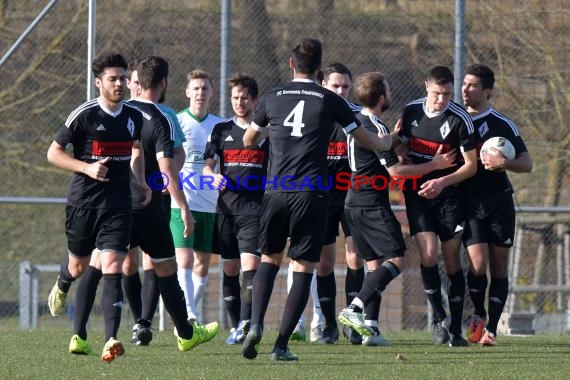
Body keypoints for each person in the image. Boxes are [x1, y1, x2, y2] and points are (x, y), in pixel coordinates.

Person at [240, 37, 394, 361]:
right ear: (320, 69)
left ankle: (254, 325)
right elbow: (365, 139)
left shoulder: (273, 97)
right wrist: (388, 140)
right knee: (303, 266)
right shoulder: (330, 100)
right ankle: (280, 345)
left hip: (276, 189)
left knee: (269, 259)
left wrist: (274, 133)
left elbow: (249, 138)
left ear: (291, 63)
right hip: (311, 193)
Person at [337, 72, 456, 346]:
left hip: (353, 201)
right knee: (397, 258)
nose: (391, 94)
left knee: (375, 264)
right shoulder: (375, 128)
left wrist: (395, 139)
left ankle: (371, 329)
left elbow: (386, 149)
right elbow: (396, 172)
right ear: (381, 98)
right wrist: (434, 166)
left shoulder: (359, 123)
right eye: (388, 90)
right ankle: (353, 309)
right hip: (370, 203)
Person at [46, 52, 149, 362]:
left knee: (113, 266)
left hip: (118, 204)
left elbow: (136, 149)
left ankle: (111, 339)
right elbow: (53, 153)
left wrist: (139, 180)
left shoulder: (133, 117)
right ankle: (63, 282)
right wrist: (87, 168)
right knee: (78, 267)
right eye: (113, 79)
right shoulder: (84, 115)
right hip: (83, 204)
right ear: (99, 82)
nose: (119, 84)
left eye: (123, 79)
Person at [397, 65, 477, 347]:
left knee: (452, 261)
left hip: (449, 198)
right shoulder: (410, 111)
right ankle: (438, 320)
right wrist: (403, 154)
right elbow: (401, 146)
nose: (442, 99)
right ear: (426, 87)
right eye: (436, 93)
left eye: (446, 94)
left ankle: (456, 327)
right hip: (417, 193)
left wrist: (442, 181)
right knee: (428, 255)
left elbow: (471, 166)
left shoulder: (461, 119)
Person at [289, 62, 361, 344]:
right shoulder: (313, 114)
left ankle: (353, 321)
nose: (341, 91)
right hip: (320, 196)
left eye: (345, 86)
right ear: (323, 86)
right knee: (325, 262)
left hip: (352, 195)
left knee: (355, 256)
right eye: (335, 86)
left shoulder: (356, 116)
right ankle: (328, 324)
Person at [461, 64, 533, 346]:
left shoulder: (503, 124)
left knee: (499, 266)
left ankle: (491, 328)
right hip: (469, 203)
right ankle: (478, 314)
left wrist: (504, 162)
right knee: (478, 265)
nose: (466, 90)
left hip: (499, 202)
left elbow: (527, 163)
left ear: (487, 91)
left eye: (473, 86)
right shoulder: (455, 119)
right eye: (464, 84)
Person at [121, 60, 188, 345]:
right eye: (131, 81)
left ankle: (144, 322)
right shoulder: (120, 112)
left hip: (152, 199)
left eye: (138, 81)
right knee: (125, 262)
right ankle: (139, 320)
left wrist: (162, 183)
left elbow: (177, 155)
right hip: (124, 198)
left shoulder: (167, 116)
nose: (134, 86)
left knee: (153, 259)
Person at [202, 73, 266, 345]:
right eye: (235, 98)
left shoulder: (266, 132)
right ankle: (235, 324)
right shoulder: (221, 130)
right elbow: (207, 166)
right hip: (226, 209)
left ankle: (246, 324)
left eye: (244, 98)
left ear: (255, 100)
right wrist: (211, 175)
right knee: (230, 269)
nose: (239, 102)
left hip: (255, 210)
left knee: (250, 266)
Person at [173, 70, 225, 324]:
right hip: (181, 201)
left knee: (202, 265)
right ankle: (189, 315)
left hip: (210, 203)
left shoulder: (220, 125)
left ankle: (188, 308)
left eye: (205, 88)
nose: (200, 93)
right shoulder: (177, 121)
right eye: (196, 88)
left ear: (212, 93)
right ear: (187, 92)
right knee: (184, 257)